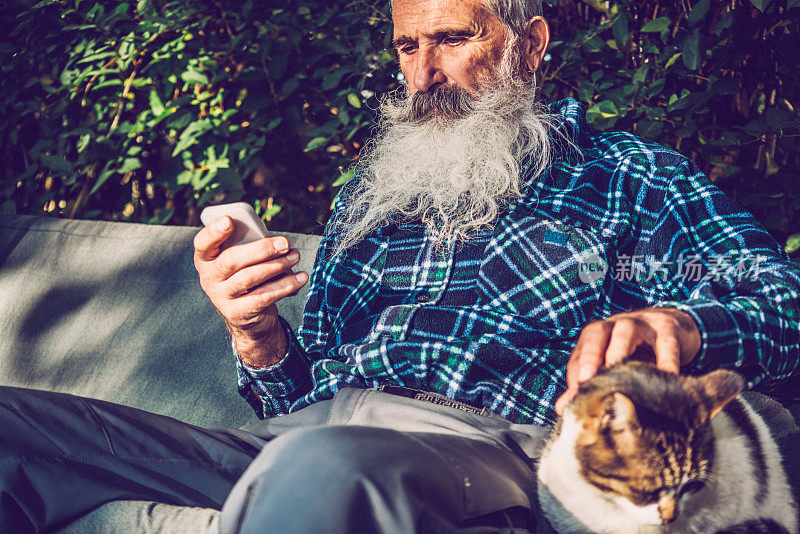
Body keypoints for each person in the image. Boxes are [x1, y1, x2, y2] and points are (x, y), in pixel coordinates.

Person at [1, 0, 798, 532]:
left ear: (530, 43)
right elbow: (307, 398)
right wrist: (257, 338)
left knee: (327, 466)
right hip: (301, 430)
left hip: (493, 451)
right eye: (408, 46)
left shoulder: (629, 177)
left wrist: (683, 321)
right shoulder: (375, 190)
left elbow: (781, 301)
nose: (426, 70)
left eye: (453, 38)